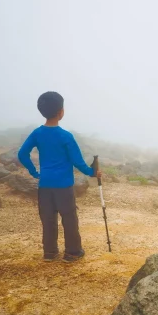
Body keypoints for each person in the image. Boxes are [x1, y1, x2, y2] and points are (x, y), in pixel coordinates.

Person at [17, 91, 101, 262]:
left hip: (45, 185)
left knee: (48, 219)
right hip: (64, 186)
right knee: (69, 218)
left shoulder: (37, 133)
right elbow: (77, 162)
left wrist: (34, 173)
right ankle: (72, 252)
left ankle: (50, 252)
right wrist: (92, 173)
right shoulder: (66, 136)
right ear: (61, 112)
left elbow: (22, 154)